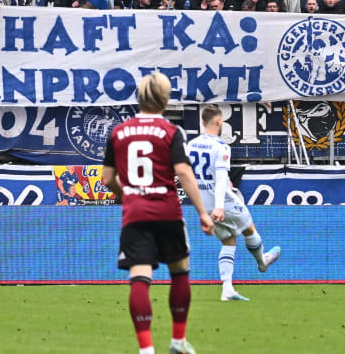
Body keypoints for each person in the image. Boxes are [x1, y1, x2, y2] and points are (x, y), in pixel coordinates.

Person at [101, 72, 214, 354]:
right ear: (165, 99)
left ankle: (146, 349)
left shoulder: (118, 132)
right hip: (167, 211)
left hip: (135, 214)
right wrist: (202, 212)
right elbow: (184, 172)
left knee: (139, 276)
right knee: (180, 271)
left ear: (139, 97)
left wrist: (125, 193)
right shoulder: (171, 132)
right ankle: (178, 341)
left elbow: (106, 179)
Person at [187, 105, 281, 302]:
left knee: (229, 240)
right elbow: (221, 178)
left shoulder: (191, 145)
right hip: (222, 202)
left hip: (203, 205)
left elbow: (188, 175)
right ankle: (262, 262)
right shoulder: (221, 147)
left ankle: (227, 288)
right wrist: (220, 205)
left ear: (202, 123)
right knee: (248, 227)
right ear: (220, 121)